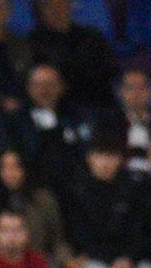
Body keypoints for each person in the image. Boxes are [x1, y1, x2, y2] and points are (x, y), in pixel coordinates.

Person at [61, 134, 151, 268]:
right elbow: (80, 239)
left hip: (127, 261)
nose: (105, 162)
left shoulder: (131, 189)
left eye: (111, 156)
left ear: (119, 160)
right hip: (89, 260)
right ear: (90, 158)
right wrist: (112, 261)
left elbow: (139, 233)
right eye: (100, 156)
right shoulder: (76, 191)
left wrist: (128, 259)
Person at [28, 0, 118, 112]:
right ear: (41, 11)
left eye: (61, 3)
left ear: (70, 6)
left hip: (93, 102)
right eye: (50, 5)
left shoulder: (93, 37)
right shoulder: (32, 42)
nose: (56, 9)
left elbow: (111, 69)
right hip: (53, 106)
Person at [0, 148, 65, 264]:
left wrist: (65, 258)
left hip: (38, 261)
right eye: (4, 167)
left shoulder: (43, 199)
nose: (10, 173)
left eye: (16, 167)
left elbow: (57, 239)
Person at [9, 63, 91, 193]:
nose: (44, 90)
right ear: (29, 88)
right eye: (38, 85)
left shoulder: (76, 117)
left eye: (50, 84)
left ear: (61, 87)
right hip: (33, 191)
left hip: (75, 188)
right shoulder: (16, 121)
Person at [109, 67, 151, 175]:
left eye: (141, 87)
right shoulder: (108, 125)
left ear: (150, 92)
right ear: (121, 92)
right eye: (130, 87)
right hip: (118, 183)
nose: (136, 93)